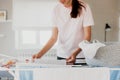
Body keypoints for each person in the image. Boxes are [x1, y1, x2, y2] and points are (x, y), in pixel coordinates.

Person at [32, 0, 94, 64]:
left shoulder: (84, 7)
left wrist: (75, 53)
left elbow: (87, 37)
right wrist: (39, 54)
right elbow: (53, 38)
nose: (61, 1)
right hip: (62, 56)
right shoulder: (56, 9)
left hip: (80, 56)